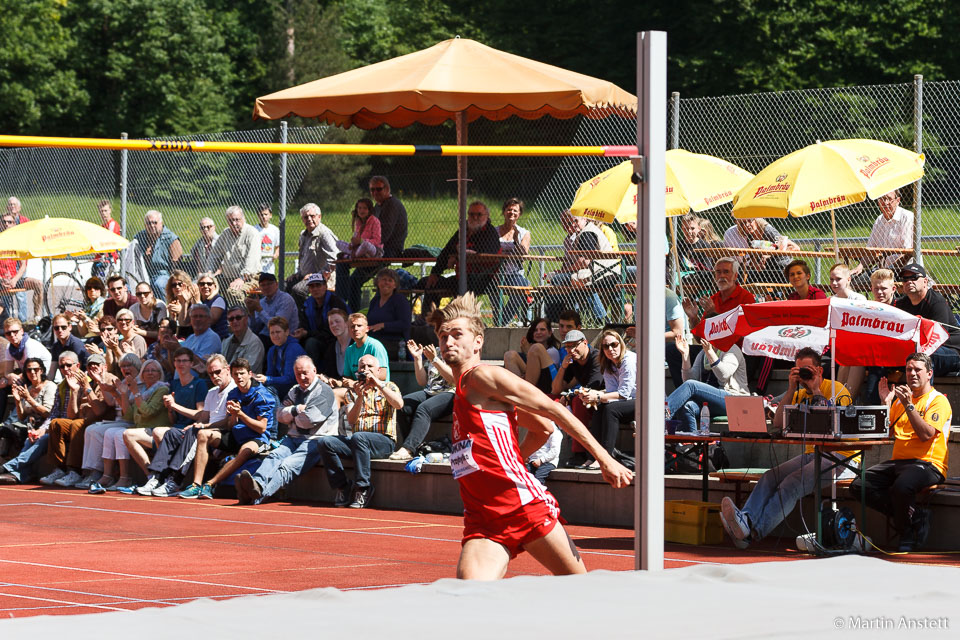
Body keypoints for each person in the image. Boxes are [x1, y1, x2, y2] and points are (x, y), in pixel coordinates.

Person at [429, 293, 632, 579]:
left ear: (477, 342)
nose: (447, 341)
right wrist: (513, 460)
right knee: (469, 598)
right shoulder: (463, 389)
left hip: (522, 505)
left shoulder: (483, 377)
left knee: (580, 590)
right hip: (483, 516)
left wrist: (604, 459)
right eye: (442, 336)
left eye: (456, 334)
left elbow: (554, 412)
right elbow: (542, 430)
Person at [719, 348, 853, 549]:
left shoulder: (838, 389)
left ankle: (752, 531)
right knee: (770, 476)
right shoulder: (798, 393)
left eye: (807, 370)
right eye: (798, 371)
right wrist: (791, 389)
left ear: (820, 371)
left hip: (842, 458)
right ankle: (745, 520)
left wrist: (816, 390)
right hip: (813, 454)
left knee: (791, 483)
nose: (803, 375)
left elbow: (832, 427)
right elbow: (779, 423)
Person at [851, 353, 951, 552]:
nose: (912, 374)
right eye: (908, 369)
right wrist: (885, 404)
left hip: (929, 463)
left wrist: (909, 405)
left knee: (902, 487)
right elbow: (884, 433)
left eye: (917, 370)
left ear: (929, 373)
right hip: (900, 462)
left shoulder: (937, 400)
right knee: (859, 485)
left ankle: (905, 532)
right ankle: (914, 517)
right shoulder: (900, 400)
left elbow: (926, 434)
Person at [236, 355, 339, 505]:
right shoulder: (295, 390)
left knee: (287, 466)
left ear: (314, 370)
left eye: (305, 372)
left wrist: (290, 414)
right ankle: (256, 483)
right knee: (273, 457)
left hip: (315, 441)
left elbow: (308, 422)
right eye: (298, 374)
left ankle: (256, 495)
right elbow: (279, 414)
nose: (302, 377)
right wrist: (296, 409)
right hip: (293, 438)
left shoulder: (324, 392)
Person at [178, 358, 276, 500]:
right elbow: (231, 425)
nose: (239, 377)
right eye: (235, 374)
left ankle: (210, 484)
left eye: (242, 373)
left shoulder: (262, 395)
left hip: (257, 438)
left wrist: (240, 414)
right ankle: (196, 485)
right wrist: (232, 417)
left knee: (245, 450)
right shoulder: (233, 394)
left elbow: (261, 428)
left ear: (250, 374)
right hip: (237, 435)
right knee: (203, 434)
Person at [317, 354, 403, 509]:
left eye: (370, 366)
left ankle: (363, 487)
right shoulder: (353, 391)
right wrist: (360, 397)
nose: (366, 370)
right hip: (357, 442)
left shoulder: (389, 386)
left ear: (378, 370)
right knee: (325, 442)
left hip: (383, 442)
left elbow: (399, 404)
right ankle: (343, 486)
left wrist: (377, 384)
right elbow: (351, 420)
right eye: (362, 367)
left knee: (359, 437)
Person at [145, 354, 235, 497]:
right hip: (207, 430)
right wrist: (194, 423)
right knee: (172, 433)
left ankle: (176, 480)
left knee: (195, 432)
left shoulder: (234, 390)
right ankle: (157, 477)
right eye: (211, 374)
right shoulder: (211, 392)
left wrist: (203, 427)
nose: (214, 376)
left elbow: (227, 422)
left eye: (217, 372)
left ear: (227, 369)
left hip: (222, 435)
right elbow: (203, 417)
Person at [131, 348, 207, 496]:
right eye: (178, 361)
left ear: (191, 363)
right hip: (176, 428)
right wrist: (170, 410)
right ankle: (156, 478)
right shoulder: (174, 384)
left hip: (190, 429)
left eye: (185, 361)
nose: (181, 364)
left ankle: (167, 480)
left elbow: (200, 414)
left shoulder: (199, 384)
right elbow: (173, 418)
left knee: (161, 432)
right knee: (158, 432)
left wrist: (174, 406)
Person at [94, 359, 169, 495]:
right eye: (146, 370)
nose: (150, 373)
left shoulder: (162, 388)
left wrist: (135, 392)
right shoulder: (143, 390)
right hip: (142, 429)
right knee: (112, 432)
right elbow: (128, 415)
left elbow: (147, 412)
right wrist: (121, 394)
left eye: (154, 370)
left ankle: (148, 476)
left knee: (125, 434)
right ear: (142, 374)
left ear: (160, 373)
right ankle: (111, 475)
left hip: (156, 430)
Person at [41, 353, 115, 488]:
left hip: (102, 422)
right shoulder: (82, 381)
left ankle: (75, 470)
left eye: (96, 365)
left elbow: (100, 411)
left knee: (77, 424)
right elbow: (71, 415)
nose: (93, 368)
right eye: (90, 365)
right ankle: (59, 469)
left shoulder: (109, 379)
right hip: (82, 420)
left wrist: (87, 388)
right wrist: (74, 391)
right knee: (57, 423)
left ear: (104, 367)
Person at [70, 353, 142, 490]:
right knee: (91, 429)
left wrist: (111, 389)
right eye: (123, 366)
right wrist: (104, 386)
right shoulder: (121, 381)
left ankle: (103, 474)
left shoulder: (140, 381)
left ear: (137, 367)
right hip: (121, 420)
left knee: (105, 432)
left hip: (131, 421)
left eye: (129, 365)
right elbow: (111, 401)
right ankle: (92, 473)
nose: (126, 368)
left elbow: (128, 414)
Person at [419, 201, 501, 315]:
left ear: (486, 216)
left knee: (467, 284)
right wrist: (435, 273)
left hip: (484, 278)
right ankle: (427, 321)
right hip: (462, 277)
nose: (475, 217)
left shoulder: (490, 232)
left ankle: (449, 316)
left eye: (479, 214)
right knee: (430, 283)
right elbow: (446, 251)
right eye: (471, 214)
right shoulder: (463, 231)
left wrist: (458, 257)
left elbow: (487, 253)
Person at [545, 210, 620, 323]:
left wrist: (562, 272)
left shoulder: (587, 233)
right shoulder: (582, 233)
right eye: (569, 223)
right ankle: (595, 320)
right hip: (598, 273)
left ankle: (556, 320)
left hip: (606, 274)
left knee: (559, 280)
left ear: (584, 219)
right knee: (575, 284)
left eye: (575, 221)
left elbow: (583, 262)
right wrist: (562, 270)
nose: (572, 225)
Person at [577, 330, 636, 470]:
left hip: (647, 402)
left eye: (614, 344)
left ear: (621, 344)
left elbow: (623, 393)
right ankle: (593, 456)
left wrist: (598, 396)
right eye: (606, 346)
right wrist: (593, 395)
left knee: (610, 408)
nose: (610, 349)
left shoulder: (629, 360)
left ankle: (606, 458)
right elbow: (610, 393)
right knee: (601, 406)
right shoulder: (607, 364)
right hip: (628, 402)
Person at [667, 335, 748, 433]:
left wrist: (710, 353)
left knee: (691, 385)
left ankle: (663, 415)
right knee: (687, 406)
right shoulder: (702, 353)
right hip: (712, 401)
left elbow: (724, 375)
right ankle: (690, 444)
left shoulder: (732, 349)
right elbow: (689, 379)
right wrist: (685, 355)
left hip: (734, 400)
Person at [390, 341, 455, 462]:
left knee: (423, 408)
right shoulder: (436, 350)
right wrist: (417, 358)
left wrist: (435, 359)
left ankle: (408, 448)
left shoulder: (455, 350)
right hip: (431, 392)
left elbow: (453, 380)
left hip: (452, 393)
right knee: (404, 405)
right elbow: (423, 381)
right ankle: (412, 448)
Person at [894, 263, 960, 376]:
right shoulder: (900, 304)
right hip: (917, 350)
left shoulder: (936, 302)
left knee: (923, 358)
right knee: (880, 355)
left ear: (925, 281)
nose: (909, 281)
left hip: (951, 351)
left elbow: (937, 338)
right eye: (905, 279)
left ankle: (924, 394)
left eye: (914, 278)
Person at [551, 329, 604, 468]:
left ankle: (579, 453)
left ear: (585, 343)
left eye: (575, 345)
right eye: (568, 346)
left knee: (577, 402)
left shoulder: (596, 357)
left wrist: (570, 396)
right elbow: (556, 389)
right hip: (587, 397)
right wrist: (563, 367)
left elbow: (594, 386)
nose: (571, 349)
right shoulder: (572, 360)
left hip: (604, 398)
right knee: (550, 399)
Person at [850, 190, 914, 290]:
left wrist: (890, 271)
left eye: (889, 199)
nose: (885, 203)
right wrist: (859, 267)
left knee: (885, 285)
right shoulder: (879, 220)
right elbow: (871, 250)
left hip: (905, 270)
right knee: (850, 281)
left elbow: (908, 252)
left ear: (897, 200)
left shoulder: (907, 217)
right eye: (882, 199)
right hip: (882, 271)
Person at [0, 357, 55, 461]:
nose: (32, 372)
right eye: (29, 370)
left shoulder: (49, 386)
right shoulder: (28, 389)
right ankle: (4, 458)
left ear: (42, 370)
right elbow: (21, 416)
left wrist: (28, 398)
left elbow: (48, 413)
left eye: (36, 369)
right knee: (5, 430)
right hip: (28, 425)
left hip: (43, 426)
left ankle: (8, 465)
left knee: (12, 431)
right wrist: (17, 400)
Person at [207, 205, 262, 302]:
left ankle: (239, 316)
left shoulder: (252, 233)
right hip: (228, 277)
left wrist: (242, 278)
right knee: (203, 288)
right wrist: (209, 273)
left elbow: (252, 260)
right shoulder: (225, 233)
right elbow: (214, 255)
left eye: (237, 219)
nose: (234, 223)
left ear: (243, 218)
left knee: (234, 292)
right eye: (230, 220)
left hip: (249, 278)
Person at [0, 317, 52, 420]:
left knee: (20, 388)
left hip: (42, 376)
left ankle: (12, 422)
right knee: (2, 385)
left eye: (15, 331)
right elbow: (7, 371)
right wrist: (8, 378)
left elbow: (31, 370)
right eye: (8, 333)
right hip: (27, 375)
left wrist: (13, 378)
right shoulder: (10, 347)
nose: (12, 335)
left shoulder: (30, 346)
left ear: (22, 331)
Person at [294, 273, 349, 366]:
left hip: (335, 339)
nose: (315, 289)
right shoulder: (307, 304)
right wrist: (301, 331)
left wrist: (307, 333)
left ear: (325, 286)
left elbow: (332, 332)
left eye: (318, 285)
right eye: (311, 286)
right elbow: (304, 324)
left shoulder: (336, 302)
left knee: (311, 343)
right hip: (316, 337)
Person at [288, 203, 339, 301]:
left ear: (319, 217)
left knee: (298, 290)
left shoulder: (324, 234)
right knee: (284, 285)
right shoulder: (303, 234)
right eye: (306, 217)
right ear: (302, 219)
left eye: (312, 216)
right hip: (304, 276)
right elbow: (302, 257)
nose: (309, 219)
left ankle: (304, 315)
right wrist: (297, 273)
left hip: (321, 277)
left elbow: (334, 258)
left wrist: (317, 275)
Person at [723, 217, 800, 282]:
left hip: (780, 266)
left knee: (751, 278)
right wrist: (755, 263)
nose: (747, 225)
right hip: (765, 268)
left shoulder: (768, 231)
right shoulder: (749, 235)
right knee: (747, 278)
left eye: (749, 221)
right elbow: (753, 257)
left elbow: (788, 246)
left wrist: (769, 254)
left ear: (755, 220)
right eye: (742, 223)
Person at [0, 212, 42, 324]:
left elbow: (23, 265)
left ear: (14, 224)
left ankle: (36, 318)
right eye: (4, 222)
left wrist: (15, 279)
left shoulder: (18, 242)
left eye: (10, 222)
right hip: (1, 280)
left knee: (38, 284)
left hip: (15, 279)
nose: (7, 224)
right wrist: (1, 278)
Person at [496, 198, 532, 324]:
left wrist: (516, 239)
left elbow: (523, 254)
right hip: (495, 273)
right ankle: (497, 318)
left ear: (519, 214)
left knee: (523, 285)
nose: (512, 212)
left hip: (513, 274)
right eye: (509, 209)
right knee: (492, 288)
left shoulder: (524, 233)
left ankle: (502, 321)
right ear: (504, 212)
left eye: (515, 210)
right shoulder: (495, 232)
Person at [503, 318, 562, 394]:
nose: (538, 332)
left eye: (542, 329)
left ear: (550, 333)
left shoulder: (552, 351)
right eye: (535, 330)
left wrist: (528, 352)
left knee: (536, 348)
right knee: (510, 355)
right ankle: (515, 392)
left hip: (549, 383)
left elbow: (541, 374)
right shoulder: (533, 349)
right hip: (534, 381)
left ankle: (524, 394)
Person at [133, 210, 183, 297]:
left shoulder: (171, 238)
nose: (152, 226)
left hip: (163, 274)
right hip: (142, 273)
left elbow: (176, 263)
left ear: (161, 223)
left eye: (155, 223)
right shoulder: (139, 237)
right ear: (145, 225)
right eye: (149, 223)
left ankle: (162, 308)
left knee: (158, 285)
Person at [254, 316, 307, 398]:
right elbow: (270, 373)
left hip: (297, 389)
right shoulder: (272, 350)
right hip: (282, 387)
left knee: (270, 391)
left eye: (278, 332)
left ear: (286, 332)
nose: (275, 335)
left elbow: (290, 379)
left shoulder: (294, 348)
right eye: (272, 333)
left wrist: (267, 379)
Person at [246, 271, 298, 345]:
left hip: (286, 338)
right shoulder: (261, 302)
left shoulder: (285, 299)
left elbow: (278, 326)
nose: (266, 287)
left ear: (276, 284)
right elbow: (255, 328)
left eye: (269, 284)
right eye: (263, 285)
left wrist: (259, 310)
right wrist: (251, 312)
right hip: (266, 337)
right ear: (260, 288)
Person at [367, 268, 411, 351]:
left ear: (395, 285)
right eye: (383, 279)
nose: (386, 282)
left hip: (395, 344)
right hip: (374, 340)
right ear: (378, 282)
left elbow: (405, 324)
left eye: (390, 280)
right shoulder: (375, 300)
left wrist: (383, 325)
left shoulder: (400, 300)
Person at [342, 313, 389, 381]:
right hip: (356, 388)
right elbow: (347, 377)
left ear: (367, 328)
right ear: (348, 330)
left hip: (377, 388)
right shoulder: (349, 350)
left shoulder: (375, 346)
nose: (355, 329)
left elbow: (383, 375)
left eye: (359, 326)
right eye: (352, 326)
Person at [221, 306, 265, 374]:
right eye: (231, 319)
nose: (235, 321)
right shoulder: (226, 342)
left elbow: (246, 371)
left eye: (238, 318)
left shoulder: (255, 343)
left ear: (246, 319)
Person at [47, 313, 89, 380]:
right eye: (56, 328)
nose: (60, 330)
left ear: (70, 327)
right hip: (68, 379)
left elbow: (78, 369)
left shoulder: (76, 344)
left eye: (63, 327)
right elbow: (52, 372)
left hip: (83, 378)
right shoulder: (55, 346)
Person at [92, 200, 122, 278]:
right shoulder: (102, 226)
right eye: (101, 211)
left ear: (110, 211)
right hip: (99, 258)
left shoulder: (112, 224)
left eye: (105, 211)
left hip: (108, 259)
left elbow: (109, 242)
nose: (103, 213)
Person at [196, 273, 229, 338]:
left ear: (215, 286)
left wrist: (197, 302)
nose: (205, 286)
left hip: (218, 339)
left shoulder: (218, 300)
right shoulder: (200, 300)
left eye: (209, 284)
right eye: (202, 284)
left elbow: (210, 320)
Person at [323, 308, 351, 380]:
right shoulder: (332, 348)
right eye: (331, 323)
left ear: (347, 323)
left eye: (337, 321)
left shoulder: (356, 343)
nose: (334, 325)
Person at [255, 204, 280, 274]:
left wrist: (275, 255)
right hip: (257, 265)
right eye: (261, 214)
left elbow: (278, 246)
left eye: (266, 214)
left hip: (269, 265)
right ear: (258, 216)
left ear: (270, 215)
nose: (263, 217)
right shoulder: (254, 230)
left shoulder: (275, 230)